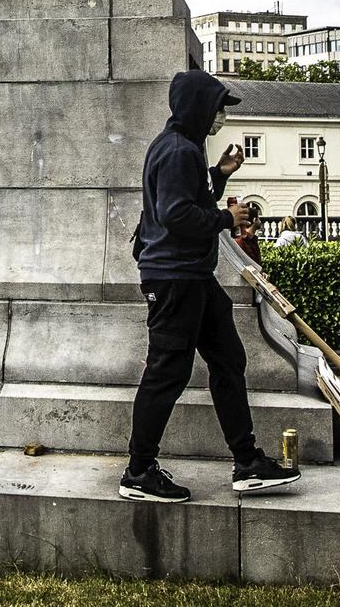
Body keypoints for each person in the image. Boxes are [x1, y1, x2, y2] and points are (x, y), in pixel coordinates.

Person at [121, 69, 301, 503]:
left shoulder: (183, 148)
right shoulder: (178, 150)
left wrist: (219, 174)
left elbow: (190, 196)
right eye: (219, 107)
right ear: (199, 107)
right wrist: (227, 219)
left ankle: (247, 462)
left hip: (193, 277)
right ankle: (138, 471)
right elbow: (177, 215)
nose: (221, 116)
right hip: (174, 279)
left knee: (228, 359)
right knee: (168, 372)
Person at [231, 197, 264, 261]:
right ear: (254, 220)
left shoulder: (252, 240)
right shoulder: (241, 241)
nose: (260, 221)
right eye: (258, 218)